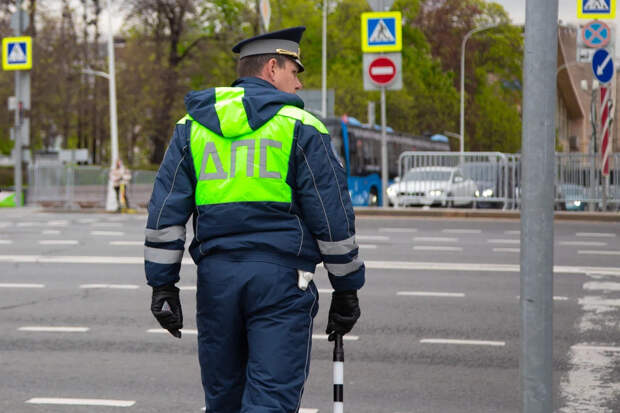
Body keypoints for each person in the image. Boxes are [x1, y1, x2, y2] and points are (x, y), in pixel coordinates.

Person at [144, 26, 364, 413]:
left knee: (223, 399)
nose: (298, 84)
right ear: (273, 68)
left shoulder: (191, 126)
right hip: (282, 284)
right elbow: (332, 219)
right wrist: (346, 289)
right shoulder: (301, 127)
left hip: (216, 283)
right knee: (271, 399)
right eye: (295, 72)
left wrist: (163, 287)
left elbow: (166, 213)